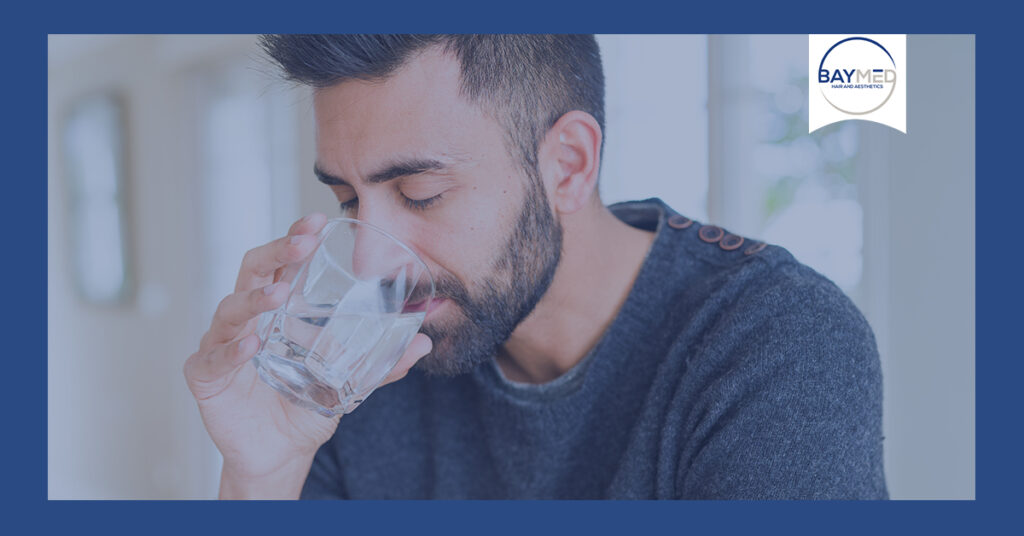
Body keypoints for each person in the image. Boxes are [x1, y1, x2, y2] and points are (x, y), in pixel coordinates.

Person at [183, 34, 888, 500]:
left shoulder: (775, 344)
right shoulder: (364, 362)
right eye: (347, 199)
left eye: (419, 195)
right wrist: (264, 471)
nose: (369, 258)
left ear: (568, 165)